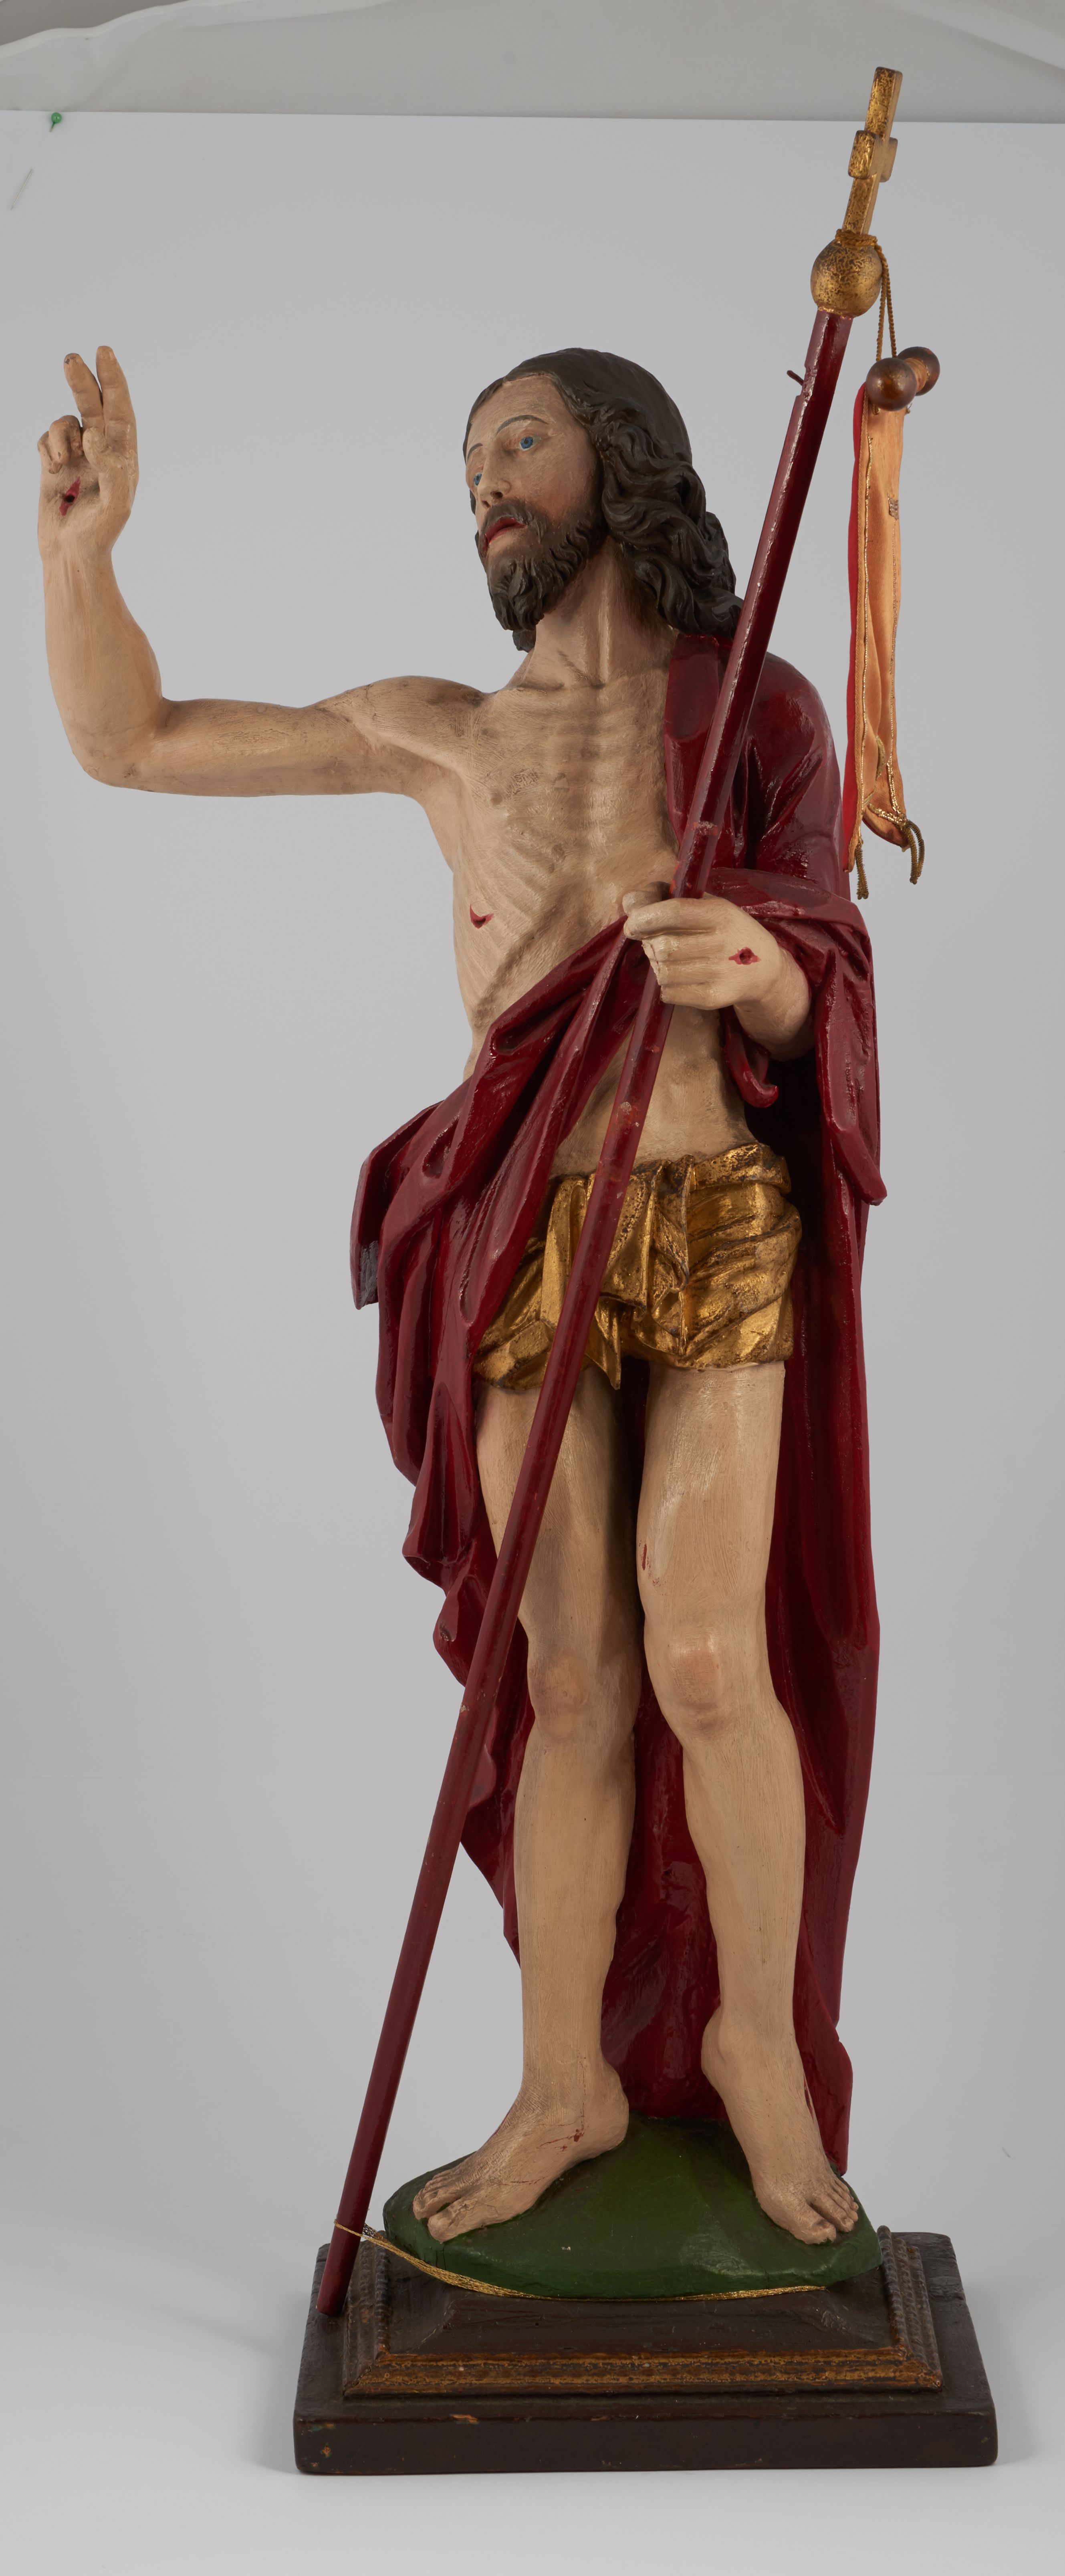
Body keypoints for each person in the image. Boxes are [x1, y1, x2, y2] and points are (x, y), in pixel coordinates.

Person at [38, 342, 880, 2251]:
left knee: (703, 1660)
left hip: (711, 1216)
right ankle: (561, 2083)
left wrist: (755, 969)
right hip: (523, 1227)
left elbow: (823, 962)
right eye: (470, 458)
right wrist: (84, 557)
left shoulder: (749, 708)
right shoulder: (442, 732)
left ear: (622, 466)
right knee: (565, 1676)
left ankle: (754, 2046)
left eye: (520, 442)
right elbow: (134, 741)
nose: (485, 483)